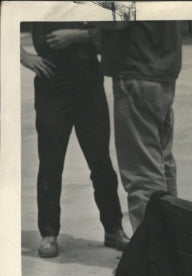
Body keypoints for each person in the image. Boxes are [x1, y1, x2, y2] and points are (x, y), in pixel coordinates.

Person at [20, 23, 129, 259]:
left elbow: (115, 27)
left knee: (100, 161)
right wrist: (24, 57)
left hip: (89, 81)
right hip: (52, 82)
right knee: (51, 163)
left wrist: (79, 36)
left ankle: (113, 229)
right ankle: (48, 233)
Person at [90, 20, 182, 232]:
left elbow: (116, 17)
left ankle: (150, 256)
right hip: (162, 71)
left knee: (142, 172)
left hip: (137, 70)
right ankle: (171, 244)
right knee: (161, 163)